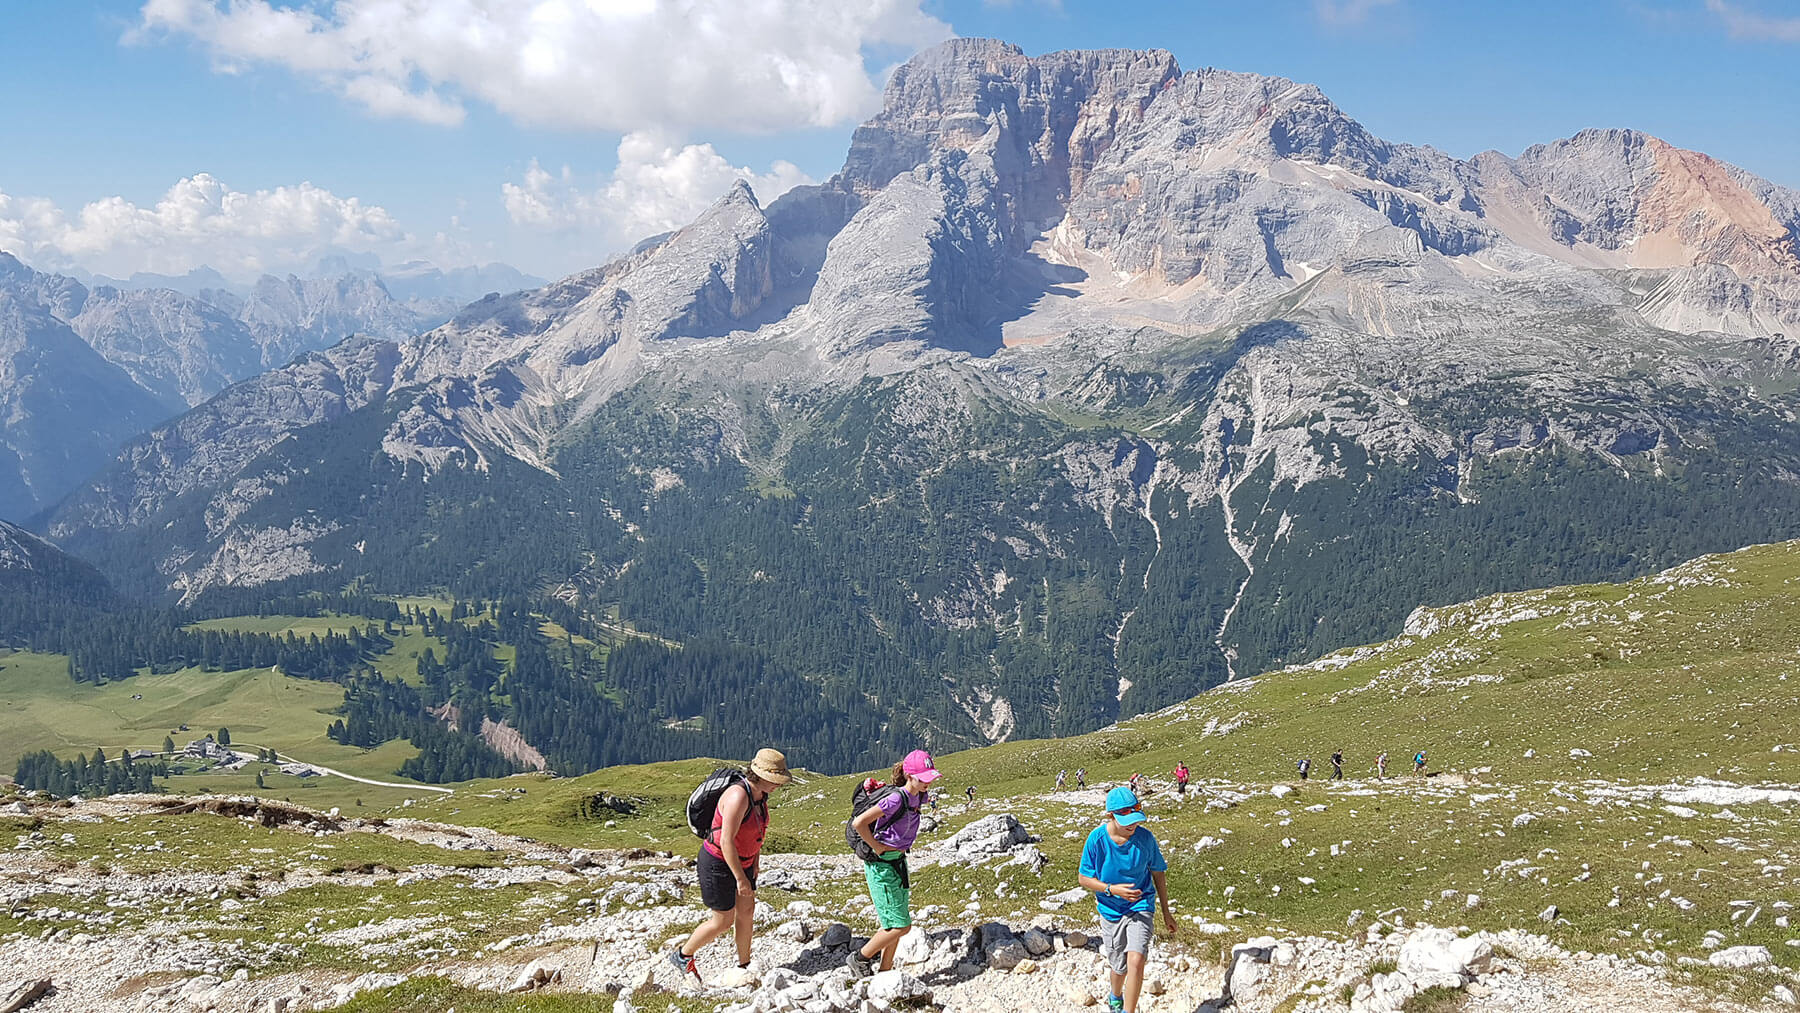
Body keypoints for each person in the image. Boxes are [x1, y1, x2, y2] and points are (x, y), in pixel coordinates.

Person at [668, 748, 791, 982]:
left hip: (743, 862)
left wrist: (755, 861)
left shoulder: (759, 796)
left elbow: (756, 831)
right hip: (718, 862)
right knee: (722, 920)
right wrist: (740, 878)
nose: (778, 785)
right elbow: (726, 841)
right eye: (775, 780)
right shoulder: (738, 796)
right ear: (761, 776)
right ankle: (683, 955)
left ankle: (744, 963)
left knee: (746, 912)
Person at [1077, 786, 1177, 1013]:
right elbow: (1084, 878)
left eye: (1136, 819)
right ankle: (1115, 996)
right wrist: (1112, 889)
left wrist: (1165, 912)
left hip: (1141, 904)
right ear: (1111, 815)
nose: (1133, 825)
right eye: (1127, 821)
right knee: (1119, 967)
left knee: (1136, 961)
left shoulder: (1145, 838)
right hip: (1110, 909)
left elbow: (1158, 872)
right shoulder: (1096, 840)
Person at [847, 750, 941, 976]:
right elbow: (859, 823)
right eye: (923, 777)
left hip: (898, 861)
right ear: (910, 776)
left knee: (893, 923)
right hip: (882, 866)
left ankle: (886, 970)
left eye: (930, 777)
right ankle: (860, 958)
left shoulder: (919, 796)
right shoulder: (896, 799)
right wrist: (877, 846)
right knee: (902, 925)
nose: (928, 782)